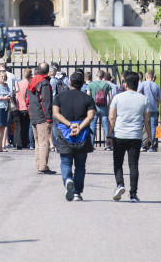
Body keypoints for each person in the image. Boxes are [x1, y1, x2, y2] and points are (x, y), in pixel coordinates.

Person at [52, 71, 96, 201]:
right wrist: (80, 127)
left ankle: (67, 179)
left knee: (65, 162)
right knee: (80, 165)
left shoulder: (60, 97)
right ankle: (77, 192)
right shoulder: (87, 98)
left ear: (69, 82)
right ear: (82, 84)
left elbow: (56, 113)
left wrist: (69, 125)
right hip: (82, 133)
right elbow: (91, 115)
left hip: (65, 132)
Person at [108, 70, 150, 202]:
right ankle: (133, 194)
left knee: (118, 163)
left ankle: (120, 184)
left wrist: (109, 135)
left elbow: (112, 117)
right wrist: (149, 137)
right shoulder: (143, 99)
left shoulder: (118, 98)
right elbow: (147, 120)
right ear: (137, 84)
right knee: (133, 165)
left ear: (125, 84)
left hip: (120, 134)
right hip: (135, 135)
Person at [27, 62, 56, 174]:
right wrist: (49, 119)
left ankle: (39, 164)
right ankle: (43, 165)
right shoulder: (44, 83)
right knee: (44, 142)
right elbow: (46, 102)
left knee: (38, 142)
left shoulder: (32, 82)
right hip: (42, 116)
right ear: (47, 71)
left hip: (34, 115)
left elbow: (28, 100)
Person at [138, 70, 161, 152]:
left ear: (146, 76)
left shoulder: (142, 84)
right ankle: (150, 146)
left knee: (141, 126)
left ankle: (141, 145)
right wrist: (157, 105)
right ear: (152, 77)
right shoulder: (156, 86)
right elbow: (159, 99)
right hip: (154, 108)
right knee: (152, 127)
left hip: (144, 109)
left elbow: (138, 94)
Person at [86, 70, 111, 146]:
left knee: (92, 126)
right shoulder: (107, 85)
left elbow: (88, 96)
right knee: (106, 126)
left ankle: (91, 144)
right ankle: (108, 145)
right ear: (103, 76)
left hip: (94, 107)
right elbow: (110, 97)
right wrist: (109, 106)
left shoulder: (91, 84)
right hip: (104, 107)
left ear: (96, 75)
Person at [14, 68, 32, 150]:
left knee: (18, 127)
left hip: (18, 106)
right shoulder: (29, 84)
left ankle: (18, 142)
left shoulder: (18, 83)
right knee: (26, 126)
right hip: (27, 107)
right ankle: (25, 142)